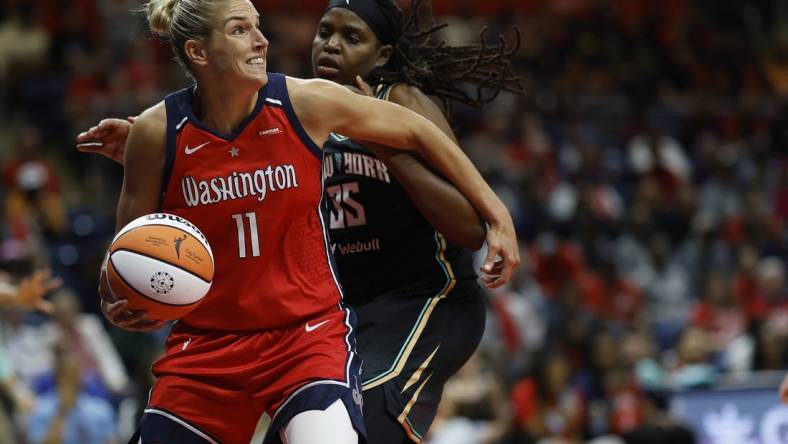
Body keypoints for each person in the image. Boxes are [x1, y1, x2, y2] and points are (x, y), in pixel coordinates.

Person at [78, 1, 523, 442]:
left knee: (370, 416)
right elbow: (129, 252)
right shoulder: (161, 131)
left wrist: (497, 215)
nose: (262, 40)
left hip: (352, 318)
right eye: (240, 30)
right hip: (228, 338)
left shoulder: (323, 101)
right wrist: (124, 292)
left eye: (258, 27)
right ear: (199, 51)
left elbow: (431, 155)